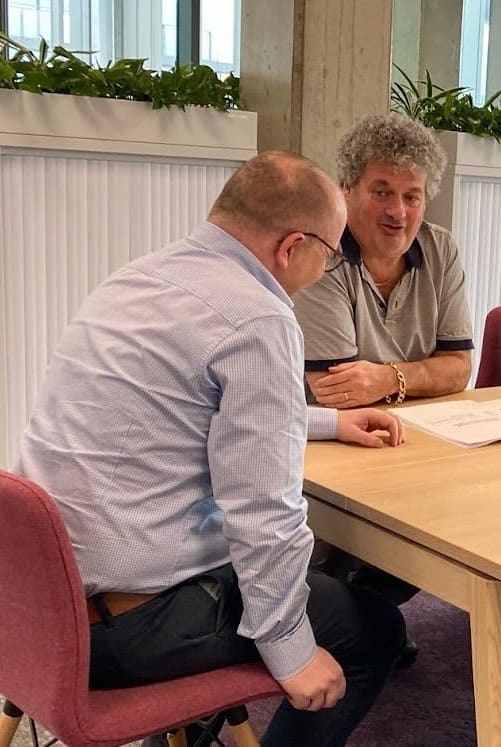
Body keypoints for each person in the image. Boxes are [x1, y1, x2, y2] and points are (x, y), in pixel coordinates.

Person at [15, 151, 408, 747]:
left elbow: (183, 408)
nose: (324, 271)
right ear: (292, 246)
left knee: (290, 576)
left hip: (29, 604)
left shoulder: (142, 275)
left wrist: (324, 422)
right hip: (120, 630)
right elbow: (264, 515)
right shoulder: (260, 319)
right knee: (373, 628)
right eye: (328, 256)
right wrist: (292, 652)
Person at [294, 113, 473, 405]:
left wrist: (388, 379)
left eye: (412, 197)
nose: (398, 211)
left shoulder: (440, 248)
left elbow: (459, 368)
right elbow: (336, 390)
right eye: (382, 192)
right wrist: (425, 375)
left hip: (424, 428)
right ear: (346, 189)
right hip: (333, 437)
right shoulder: (319, 252)